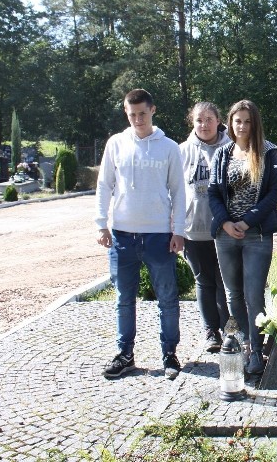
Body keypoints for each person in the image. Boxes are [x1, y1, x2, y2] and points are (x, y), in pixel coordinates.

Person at [95, 88, 186, 380]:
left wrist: (179, 231)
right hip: (122, 235)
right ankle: (125, 355)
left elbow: (179, 191)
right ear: (126, 112)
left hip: (159, 235)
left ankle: (169, 354)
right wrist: (101, 223)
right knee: (124, 298)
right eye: (132, 114)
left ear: (153, 111)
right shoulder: (116, 144)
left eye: (142, 114)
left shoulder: (169, 147)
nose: (137, 119)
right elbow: (104, 184)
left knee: (167, 298)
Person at [208, 100, 277, 375]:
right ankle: (242, 346)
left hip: (256, 234)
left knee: (254, 295)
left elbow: (275, 194)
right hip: (225, 235)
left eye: (247, 121)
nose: (241, 126)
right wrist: (226, 223)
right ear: (229, 122)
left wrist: (247, 220)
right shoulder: (222, 153)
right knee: (233, 295)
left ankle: (257, 352)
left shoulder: (269, 152)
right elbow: (214, 192)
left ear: (255, 123)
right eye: (237, 121)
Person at [180, 101, 231, 353]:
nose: (204, 124)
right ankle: (211, 331)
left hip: (226, 229)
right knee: (204, 281)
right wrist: (175, 228)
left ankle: (229, 329)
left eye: (209, 119)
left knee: (225, 281)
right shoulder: (182, 151)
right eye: (199, 120)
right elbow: (174, 192)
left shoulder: (232, 147)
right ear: (193, 122)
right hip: (194, 229)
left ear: (218, 120)